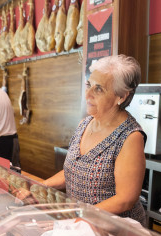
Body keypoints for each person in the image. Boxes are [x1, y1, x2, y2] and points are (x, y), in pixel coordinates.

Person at [43, 54, 147, 225]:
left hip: (117, 234)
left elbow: (125, 199)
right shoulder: (85, 124)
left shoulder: (130, 137)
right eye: (89, 85)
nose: (88, 95)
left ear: (121, 96)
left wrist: (82, 215)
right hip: (83, 226)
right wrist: (39, 185)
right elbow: (74, 171)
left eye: (99, 89)